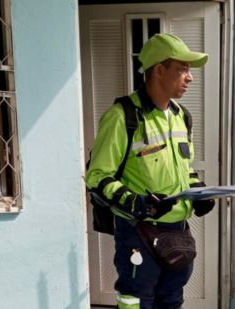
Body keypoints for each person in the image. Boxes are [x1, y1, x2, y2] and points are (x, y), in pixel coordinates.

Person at [86, 33, 216, 309]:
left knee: (171, 300)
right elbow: (97, 176)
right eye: (182, 69)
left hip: (177, 231)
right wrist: (136, 202)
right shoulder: (123, 116)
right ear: (159, 70)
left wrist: (198, 192)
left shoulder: (181, 116)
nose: (189, 77)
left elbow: (184, 168)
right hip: (138, 231)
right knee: (136, 301)